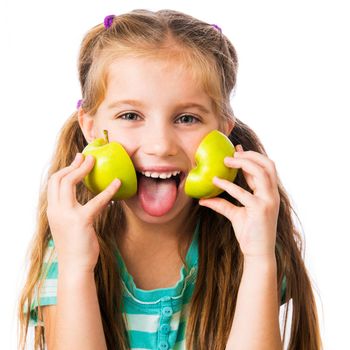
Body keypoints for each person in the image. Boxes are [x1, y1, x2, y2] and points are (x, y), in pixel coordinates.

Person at [18, 9, 322, 350]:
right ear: (90, 127)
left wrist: (259, 258)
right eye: (130, 115)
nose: (161, 145)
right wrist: (76, 266)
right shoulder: (68, 251)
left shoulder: (250, 249)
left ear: (222, 128)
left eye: (187, 118)